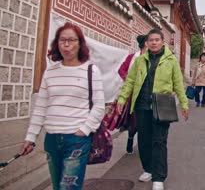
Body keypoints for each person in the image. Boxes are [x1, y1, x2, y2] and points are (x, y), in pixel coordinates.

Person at [20, 22, 105, 190]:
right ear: (57, 44)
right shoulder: (50, 72)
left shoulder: (91, 70)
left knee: (68, 187)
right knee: (58, 186)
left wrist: (84, 130)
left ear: (80, 43)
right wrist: (30, 137)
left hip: (76, 140)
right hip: (51, 139)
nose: (67, 45)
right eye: (62, 40)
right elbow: (41, 106)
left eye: (72, 40)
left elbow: (99, 105)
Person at [117, 28, 189, 190]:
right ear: (147, 43)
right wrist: (122, 97)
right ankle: (148, 169)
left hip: (163, 104)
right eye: (151, 40)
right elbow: (130, 81)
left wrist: (184, 104)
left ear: (162, 42)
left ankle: (158, 176)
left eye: (157, 40)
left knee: (159, 141)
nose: (154, 42)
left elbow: (178, 83)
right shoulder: (140, 60)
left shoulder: (171, 60)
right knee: (144, 140)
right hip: (142, 105)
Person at [117, 34, 147, 154]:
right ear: (145, 43)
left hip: (147, 94)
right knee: (134, 121)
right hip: (134, 95)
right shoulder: (132, 58)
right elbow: (121, 70)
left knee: (145, 121)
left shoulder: (153, 58)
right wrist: (128, 79)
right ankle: (130, 140)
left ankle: (143, 146)